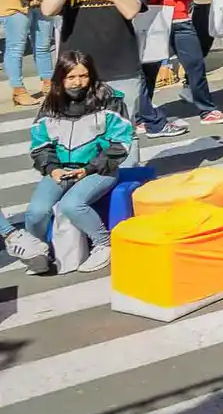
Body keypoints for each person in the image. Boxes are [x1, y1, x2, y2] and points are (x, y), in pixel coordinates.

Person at [14, 51, 137, 273]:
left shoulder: (110, 101)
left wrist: (88, 169)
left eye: (83, 76)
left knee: (72, 205)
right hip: (61, 170)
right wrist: (52, 168)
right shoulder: (51, 104)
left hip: (100, 170)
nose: (78, 82)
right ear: (61, 79)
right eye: (71, 77)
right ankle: (39, 251)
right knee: (36, 212)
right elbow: (40, 144)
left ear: (92, 76)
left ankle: (103, 244)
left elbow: (120, 144)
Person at [41, 0, 146, 137]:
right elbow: (48, 9)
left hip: (120, 70)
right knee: (80, 136)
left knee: (123, 135)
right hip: (76, 74)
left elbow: (130, 11)